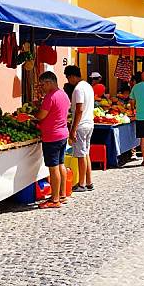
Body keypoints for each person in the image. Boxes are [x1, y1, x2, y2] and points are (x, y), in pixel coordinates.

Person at [36, 71, 70, 209]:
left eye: (42, 84)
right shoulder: (63, 94)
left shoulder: (50, 97)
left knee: (53, 167)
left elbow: (41, 116)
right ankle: (62, 195)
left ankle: (55, 199)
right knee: (61, 164)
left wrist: (31, 115)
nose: (42, 87)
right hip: (62, 134)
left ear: (49, 82)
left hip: (52, 137)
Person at [64, 66, 95, 193]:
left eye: (67, 77)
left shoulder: (78, 89)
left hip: (81, 125)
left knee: (81, 155)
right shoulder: (88, 86)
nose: (68, 80)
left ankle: (81, 183)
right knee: (86, 153)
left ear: (72, 76)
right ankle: (89, 181)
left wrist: (73, 129)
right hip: (89, 123)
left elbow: (79, 110)